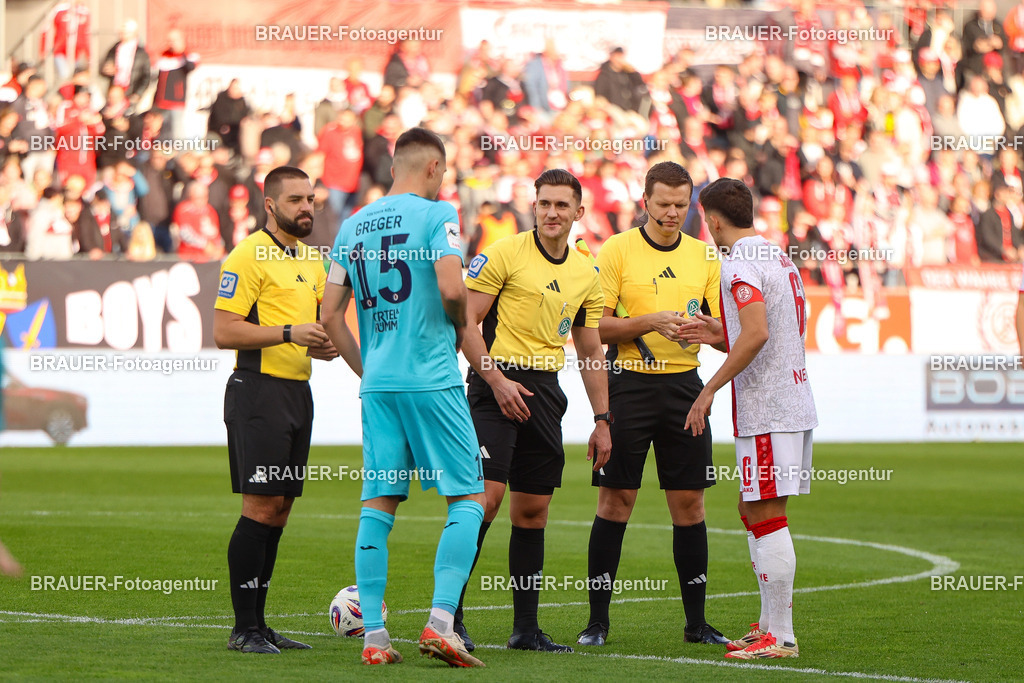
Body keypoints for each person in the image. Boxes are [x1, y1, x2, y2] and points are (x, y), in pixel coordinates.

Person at [320, 127, 486, 668]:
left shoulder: (350, 225)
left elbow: (328, 317)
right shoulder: (438, 215)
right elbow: (453, 288)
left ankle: (374, 638)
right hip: (432, 376)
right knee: (467, 498)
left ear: (395, 166)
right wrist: (460, 328)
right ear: (435, 168)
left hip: (380, 385)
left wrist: (368, 370)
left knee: (378, 504)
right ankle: (441, 623)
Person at [455, 168, 611, 654]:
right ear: (534, 206)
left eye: (562, 205)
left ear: (578, 213)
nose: (551, 212)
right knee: (486, 499)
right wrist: (496, 380)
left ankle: (525, 630)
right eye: (544, 203)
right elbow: (465, 323)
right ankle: (449, 616)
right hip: (494, 383)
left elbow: (589, 351)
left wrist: (603, 420)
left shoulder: (587, 272)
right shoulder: (504, 253)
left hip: (545, 390)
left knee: (533, 511)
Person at [577, 161, 728, 649]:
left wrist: (702, 329)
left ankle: (696, 624)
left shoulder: (705, 256)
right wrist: (649, 322)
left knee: (689, 503)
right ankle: (597, 622)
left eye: (681, 206)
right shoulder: (617, 249)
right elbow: (595, 327)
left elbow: (729, 335)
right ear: (645, 201)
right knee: (616, 500)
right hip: (628, 386)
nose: (672, 213)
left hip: (686, 388)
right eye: (663, 204)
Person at [681, 177, 818, 659]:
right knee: (752, 508)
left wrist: (710, 388)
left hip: (767, 408)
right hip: (790, 401)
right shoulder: (776, 255)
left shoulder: (737, 262)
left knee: (764, 514)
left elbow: (757, 333)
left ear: (712, 218)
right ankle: (768, 625)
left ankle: (780, 636)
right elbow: (767, 328)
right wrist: (718, 330)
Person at [213, 166, 339, 654]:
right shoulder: (247, 255)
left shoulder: (312, 259)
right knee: (260, 507)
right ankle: (243, 627)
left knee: (281, 510)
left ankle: (260, 624)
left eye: (310, 199)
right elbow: (224, 331)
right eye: (294, 200)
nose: (306, 207)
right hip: (257, 392)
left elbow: (315, 328)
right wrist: (289, 333)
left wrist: (320, 345)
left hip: (296, 393)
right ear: (270, 205)